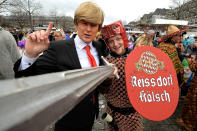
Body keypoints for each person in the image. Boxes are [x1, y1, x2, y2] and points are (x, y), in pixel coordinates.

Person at [13, 2, 111, 131]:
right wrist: (30, 55)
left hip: (91, 116)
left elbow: (100, 85)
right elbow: (28, 79)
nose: (88, 29)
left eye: (93, 25)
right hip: (67, 121)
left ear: (98, 27)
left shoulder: (98, 48)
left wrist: (108, 76)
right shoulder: (58, 49)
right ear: (76, 23)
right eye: (84, 23)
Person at [100, 20, 143, 131]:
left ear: (124, 38)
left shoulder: (136, 58)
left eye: (118, 39)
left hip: (132, 115)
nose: (115, 44)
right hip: (112, 112)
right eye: (111, 41)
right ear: (107, 44)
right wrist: (108, 79)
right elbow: (102, 90)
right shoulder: (106, 62)